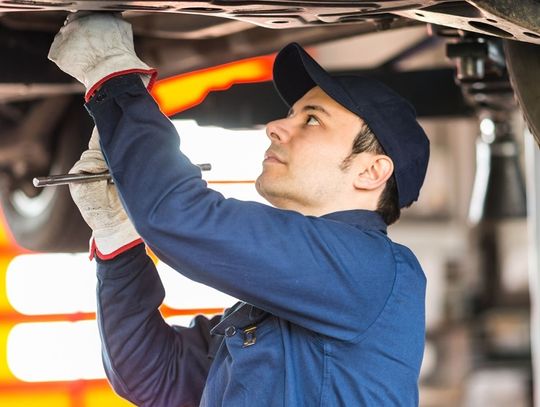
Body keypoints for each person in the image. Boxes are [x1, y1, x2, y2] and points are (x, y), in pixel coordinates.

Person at [48, 12, 430, 407]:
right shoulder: (285, 302)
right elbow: (156, 377)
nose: (275, 127)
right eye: (290, 115)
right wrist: (118, 238)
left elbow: (181, 217)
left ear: (371, 171)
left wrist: (113, 75)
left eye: (312, 120)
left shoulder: (370, 268)